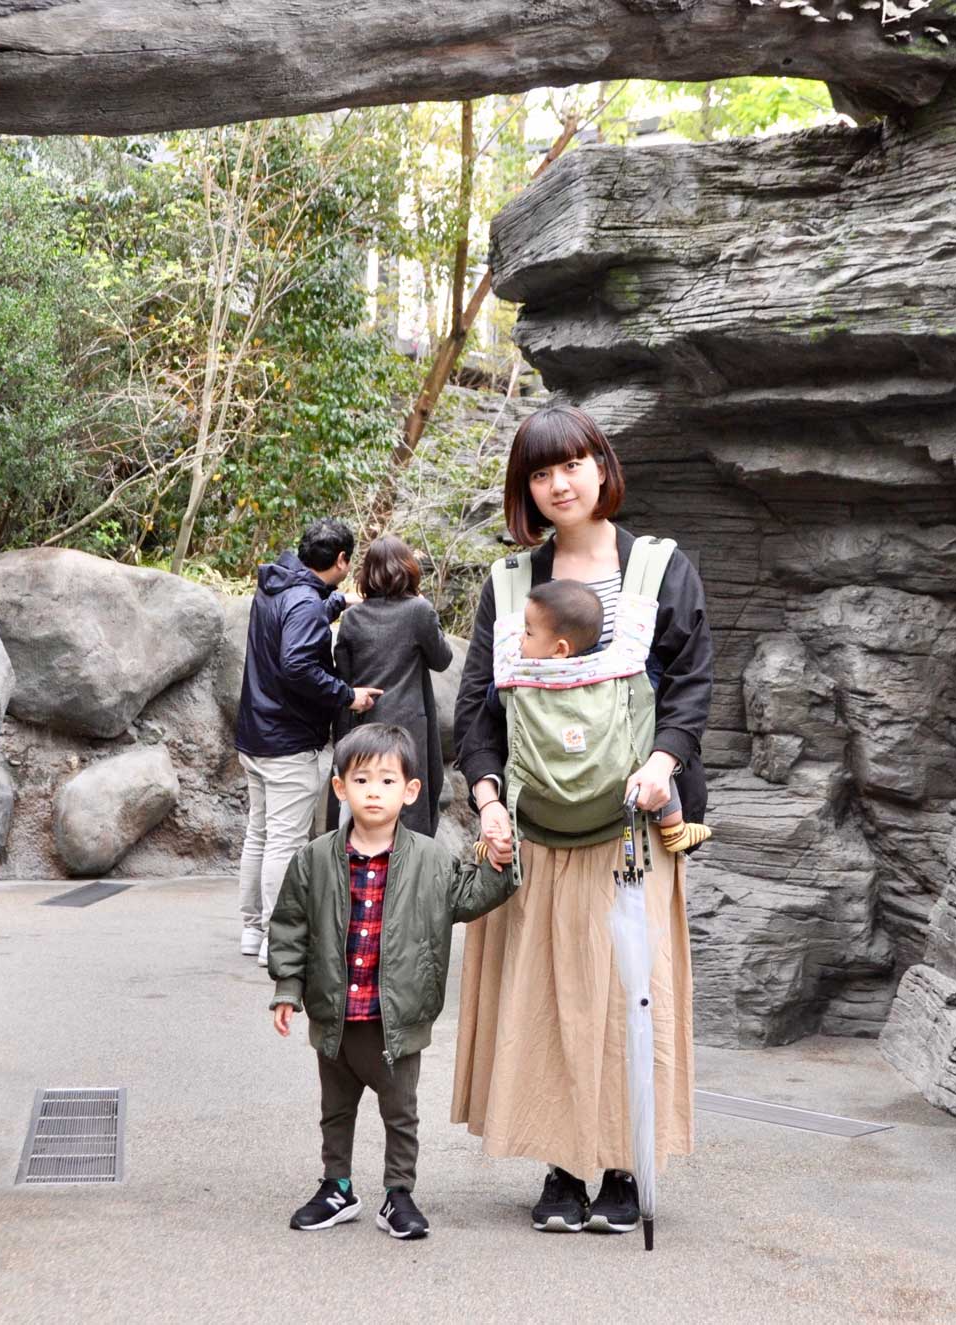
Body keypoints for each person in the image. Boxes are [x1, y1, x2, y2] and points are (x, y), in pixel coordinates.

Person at [451, 403, 713, 1235]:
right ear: (524, 488)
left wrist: (661, 763)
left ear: (602, 466)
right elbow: (474, 708)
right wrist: (487, 799)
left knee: (627, 991)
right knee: (551, 996)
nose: (558, 483)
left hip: (631, 831)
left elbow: (692, 685)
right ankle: (563, 1165)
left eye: (571, 463)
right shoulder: (506, 586)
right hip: (532, 829)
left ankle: (628, 1163)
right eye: (538, 471)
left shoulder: (663, 570)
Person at [268, 724, 518, 1240]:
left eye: (386, 781)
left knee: (399, 1113)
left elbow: (469, 900)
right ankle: (336, 1186)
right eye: (361, 780)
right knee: (335, 1111)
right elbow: (291, 926)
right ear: (340, 788)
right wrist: (287, 990)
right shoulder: (314, 859)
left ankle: (398, 1194)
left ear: (410, 791)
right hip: (335, 1014)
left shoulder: (430, 858)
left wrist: (498, 862)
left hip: (396, 1017)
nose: (373, 791)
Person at [235, 517, 382, 966]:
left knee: (258, 835)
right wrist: (347, 695)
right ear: (341, 560)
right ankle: (278, 941)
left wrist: (338, 601)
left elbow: (305, 608)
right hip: (287, 741)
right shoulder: (303, 603)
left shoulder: (277, 584)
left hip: (254, 735)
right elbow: (298, 663)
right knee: (285, 841)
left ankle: (252, 929)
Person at [508, 578, 712, 854]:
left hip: (541, 810)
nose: (520, 639)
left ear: (560, 649)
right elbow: (648, 683)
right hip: (619, 791)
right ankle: (674, 827)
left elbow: (490, 701)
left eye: (528, 633)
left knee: (656, 765)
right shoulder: (615, 668)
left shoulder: (521, 678)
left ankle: (496, 835)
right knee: (647, 758)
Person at [331, 535, 453, 839]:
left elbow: (344, 675)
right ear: (408, 569)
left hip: (364, 726)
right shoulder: (418, 611)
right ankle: (409, 880)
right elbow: (442, 659)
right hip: (409, 726)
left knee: (367, 804)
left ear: (367, 573)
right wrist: (429, 610)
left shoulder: (353, 617)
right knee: (409, 802)